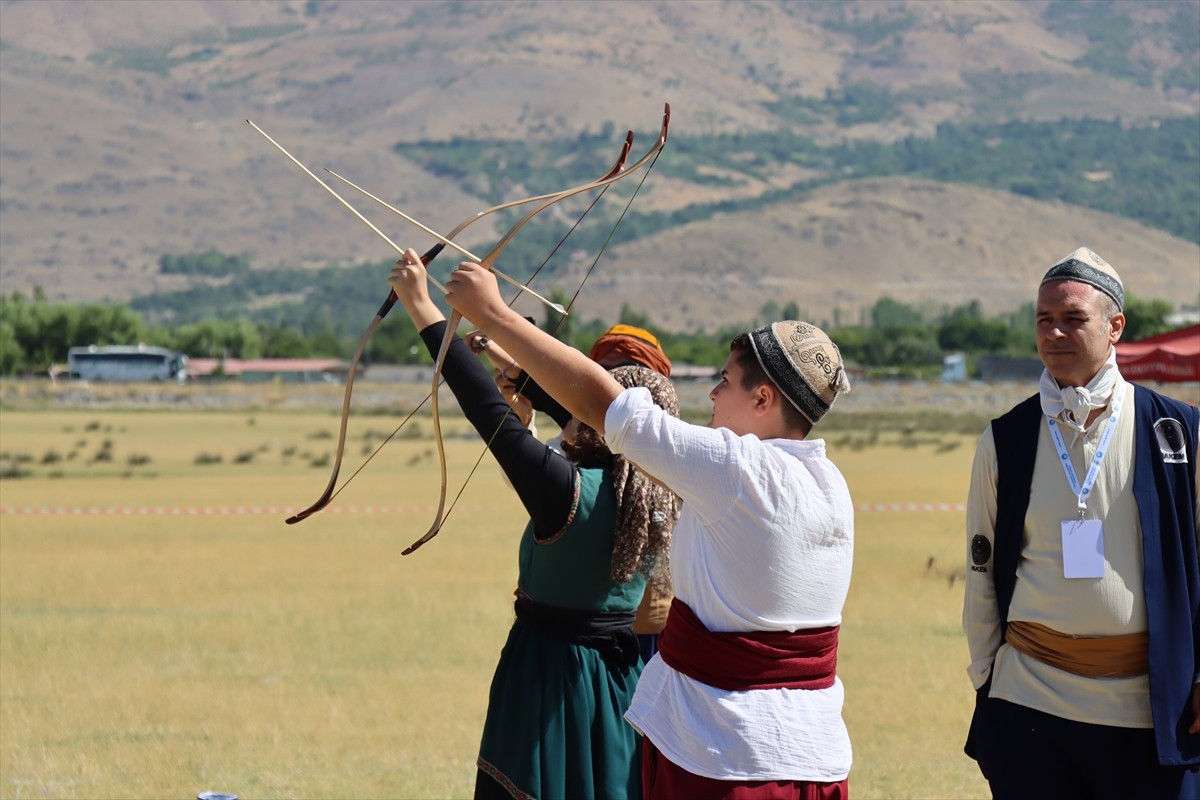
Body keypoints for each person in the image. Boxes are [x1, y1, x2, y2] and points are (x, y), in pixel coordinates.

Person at [442, 258, 855, 799]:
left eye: (725, 382)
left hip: (728, 762)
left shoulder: (735, 472)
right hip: (816, 759)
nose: (711, 396)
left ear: (763, 400)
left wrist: (495, 315)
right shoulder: (829, 484)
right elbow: (604, 431)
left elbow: (607, 407)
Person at [388, 251, 680, 800]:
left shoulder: (567, 489)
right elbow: (580, 409)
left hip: (547, 678)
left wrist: (422, 305)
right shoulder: (664, 487)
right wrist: (497, 333)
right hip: (624, 688)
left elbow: (484, 407)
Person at [962, 246, 1200, 799]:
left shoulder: (1179, 433)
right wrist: (986, 679)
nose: (1055, 333)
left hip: (1149, 709)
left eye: (1074, 319)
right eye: (1044, 319)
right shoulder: (1006, 438)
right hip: (1031, 702)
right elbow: (981, 570)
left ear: (1116, 326)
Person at [468, 323, 677, 664]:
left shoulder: (675, 449)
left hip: (653, 630)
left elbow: (539, 382)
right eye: (605, 372)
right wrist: (521, 421)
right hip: (585, 631)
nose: (611, 381)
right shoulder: (582, 437)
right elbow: (534, 475)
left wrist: (491, 338)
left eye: (623, 372)